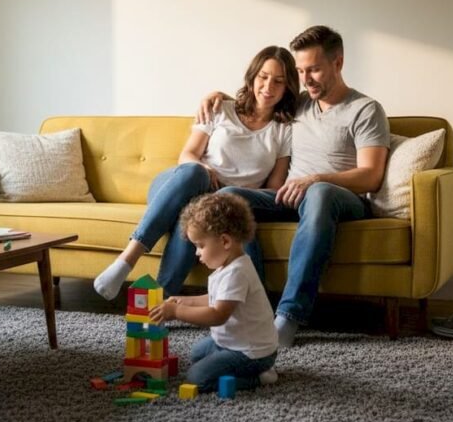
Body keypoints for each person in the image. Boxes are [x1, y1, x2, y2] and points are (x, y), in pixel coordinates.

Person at [198, 25, 390, 347]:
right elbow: (258, 98)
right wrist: (218, 96)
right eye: (300, 71)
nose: (306, 79)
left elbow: (371, 175)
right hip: (290, 197)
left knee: (319, 193)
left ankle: (289, 316)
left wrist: (317, 178)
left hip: (341, 200)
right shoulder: (299, 104)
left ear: (338, 63)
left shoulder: (366, 110)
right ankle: (254, 306)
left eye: (313, 69)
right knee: (228, 197)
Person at [93, 45, 299, 300]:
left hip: (222, 201)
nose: (268, 86)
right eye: (263, 77)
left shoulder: (284, 129)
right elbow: (187, 155)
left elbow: (274, 187)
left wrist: (230, 199)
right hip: (178, 184)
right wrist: (204, 167)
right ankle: (128, 258)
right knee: (195, 173)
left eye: (278, 81)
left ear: (288, 86)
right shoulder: (220, 109)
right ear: (253, 76)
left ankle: (159, 303)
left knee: (199, 211)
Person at [149, 193, 279, 390]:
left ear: (225, 241)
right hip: (230, 343)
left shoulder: (237, 272)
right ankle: (232, 364)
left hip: (251, 352)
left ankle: (260, 377)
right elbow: (214, 299)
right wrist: (183, 301)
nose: (197, 253)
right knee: (197, 354)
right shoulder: (227, 265)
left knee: (196, 378)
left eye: (201, 246)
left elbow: (217, 314)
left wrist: (176, 312)